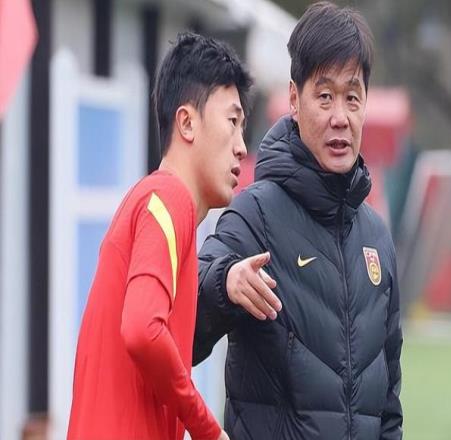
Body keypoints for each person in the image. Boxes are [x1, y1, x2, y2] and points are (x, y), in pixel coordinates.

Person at [194, 2, 403, 439]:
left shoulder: (377, 239)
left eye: (352, 97)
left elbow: (388, 408)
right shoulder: (254, 214)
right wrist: (225, 283)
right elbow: (183, 324)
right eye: (324, 96)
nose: (339, 117)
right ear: (294, 98)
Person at [67, 32, 252, 440]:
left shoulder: (157, 201)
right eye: (233, 122)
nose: (242, 146)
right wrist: (207, 429)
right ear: (187, 123)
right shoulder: (168, 198)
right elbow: (142, 330)